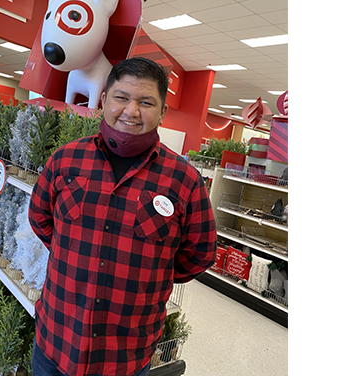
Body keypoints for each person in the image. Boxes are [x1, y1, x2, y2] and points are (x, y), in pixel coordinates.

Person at [28, 56, 217, 376]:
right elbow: (41, 218)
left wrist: (146, 274)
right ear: (103, 100)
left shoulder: (184, 180)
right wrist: (74, 251)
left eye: (146, 102)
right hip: (56, 342)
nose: (131, 111)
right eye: (121, 97)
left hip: (125, 357)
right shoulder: (66, 159)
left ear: (163, 112)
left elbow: (199, 254)